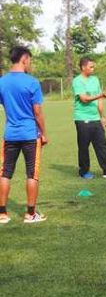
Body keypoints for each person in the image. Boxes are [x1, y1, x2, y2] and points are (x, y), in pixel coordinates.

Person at [0, 46, 48, 223]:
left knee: (5, 173)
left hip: (10, 134)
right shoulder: (32, 82)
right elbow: (37, 112)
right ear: (24, 59)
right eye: (30, 60)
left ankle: (2, 213)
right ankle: (30, 213)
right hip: (29, 134)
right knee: (32, 174)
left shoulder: (2, 82)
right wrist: (44, 133)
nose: (30, 64)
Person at [72, 57, 106, 179]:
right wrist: (101, 95)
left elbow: (100, 100)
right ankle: (84, 172)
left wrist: (103, 116)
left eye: (93, 67)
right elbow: (84, 99)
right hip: (82, 118)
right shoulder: (77, 81)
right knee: (84, 147)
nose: (93, 69)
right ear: (83, 67)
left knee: (102, 145)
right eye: (91, 67)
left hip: (95, 118)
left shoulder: (95, 80)